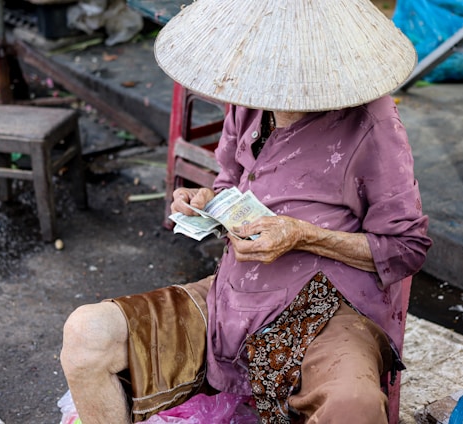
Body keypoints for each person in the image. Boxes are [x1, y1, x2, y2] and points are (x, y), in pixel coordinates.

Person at [60, 0, 432, 423]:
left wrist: (304, 235)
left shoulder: (374, 121)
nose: (274, 84)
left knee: (353, 405)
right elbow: (229, 182)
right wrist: (206, 202)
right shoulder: (252, 94)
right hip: (234, 299)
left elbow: (407, 247)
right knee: (86, 333)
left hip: (329, 308)